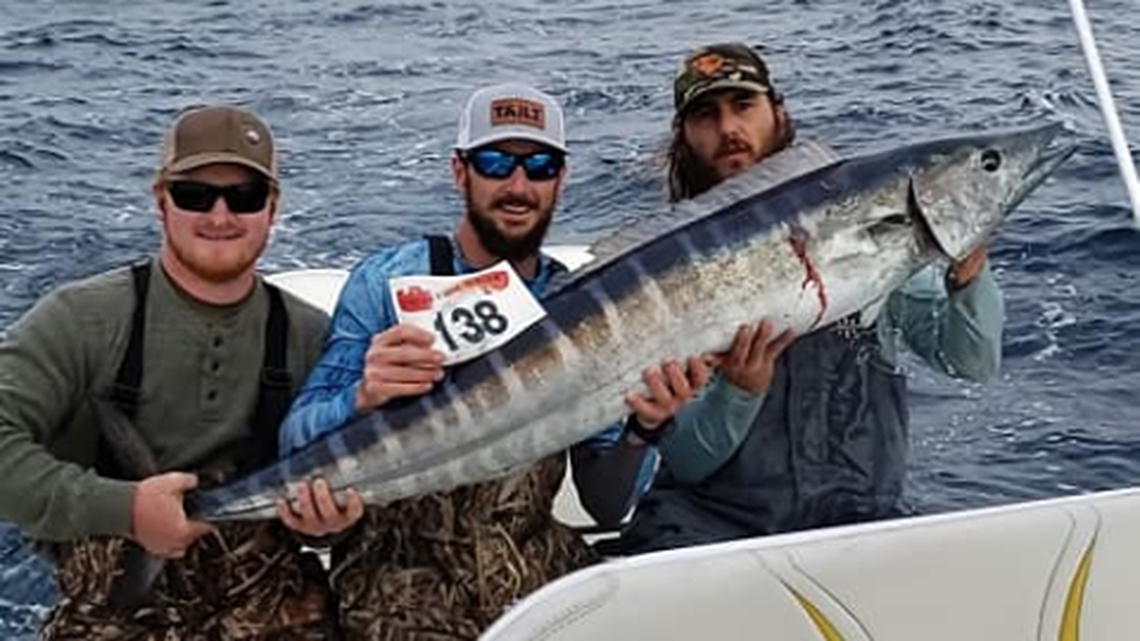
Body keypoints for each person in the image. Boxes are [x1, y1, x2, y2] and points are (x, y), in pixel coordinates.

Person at [279, 83, 707, 640]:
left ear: (561, 177)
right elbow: (295, 443)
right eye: (495, 162)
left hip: (538, 588)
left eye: (539, 165)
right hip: (395, 598)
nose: (518, 185)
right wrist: (361, 396)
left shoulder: (587, 304)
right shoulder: (386, 283)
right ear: (461, 172)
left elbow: (606, 505)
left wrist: (644, 430)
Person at [616, 43, 1005, 553]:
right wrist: (738, 392)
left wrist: (969, 273)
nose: (729, 129)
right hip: (709, 532)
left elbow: (970, 360)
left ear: (778, 112)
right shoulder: (665, 273)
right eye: (706, 115)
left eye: (744, 106)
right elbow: (689, 460)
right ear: (684, 138)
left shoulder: (865, 231)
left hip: (855, 526)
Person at [0, 105, 363, 639]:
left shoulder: (315, 338)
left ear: (273, 207)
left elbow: (355, 487)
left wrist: (332, 530)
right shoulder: (81, 320)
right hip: (115, 604)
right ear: (160, 200)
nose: (220, 217)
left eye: (244, 197)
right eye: (195, 196)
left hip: (272, 606)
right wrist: (124, 508)